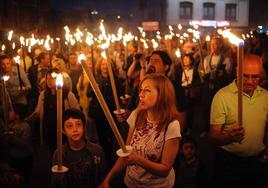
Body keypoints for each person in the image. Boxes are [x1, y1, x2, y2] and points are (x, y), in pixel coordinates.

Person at [100, 73, 181, 188]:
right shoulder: (137, 115)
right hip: (131, 183)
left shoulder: (172, 125)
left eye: (147, 90)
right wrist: (107, 179)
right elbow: (126, 152)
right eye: (141, 90)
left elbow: (165, 170)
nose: (141, 95)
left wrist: (138, 160)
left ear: (162, 95)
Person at [208, 54, 268, 188]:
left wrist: (265, 156)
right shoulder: (222, 96)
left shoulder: (265, 96)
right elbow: (212, 136)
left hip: (257, 162)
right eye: (245, 75)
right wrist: (229, 137)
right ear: (237, 71)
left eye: (255, 77)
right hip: (229, 163)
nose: (250, 82)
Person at [26, 68, 80, 153]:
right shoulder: (43, 94)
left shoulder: (68, 95)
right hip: (48, 129)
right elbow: (38, 112)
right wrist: (26, 120)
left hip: (63, 131)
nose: (49, 81)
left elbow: (77, 112)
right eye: (47, 78)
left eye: (52, 78)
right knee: (52, 152)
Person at [52, 108, 105, 188]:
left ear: (84, 127)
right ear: (63, 130)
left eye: (78, 124)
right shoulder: (59, 154)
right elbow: (55, 182)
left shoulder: (97, 150)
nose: (75, 129)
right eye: (69, 126)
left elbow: (103, 177)